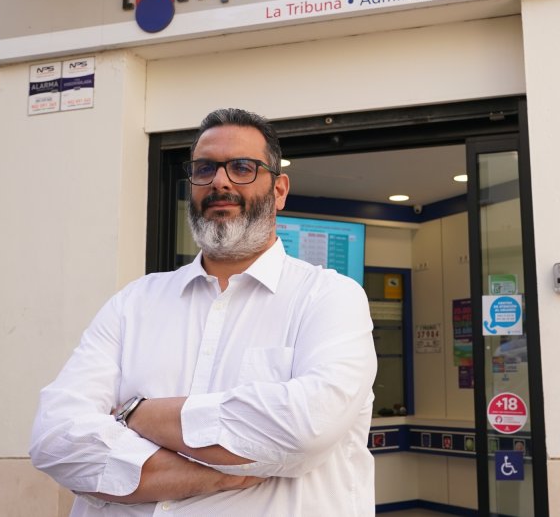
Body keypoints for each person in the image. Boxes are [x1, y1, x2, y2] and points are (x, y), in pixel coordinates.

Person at [30, 108, 378, 515]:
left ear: (279, 190)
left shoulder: (330, 298)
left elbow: (305, 428)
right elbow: (55, 438)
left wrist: (134, 414)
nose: (220, 181)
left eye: (243, 167)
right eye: (204, 168)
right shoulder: (134, 303)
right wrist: (217, 475)